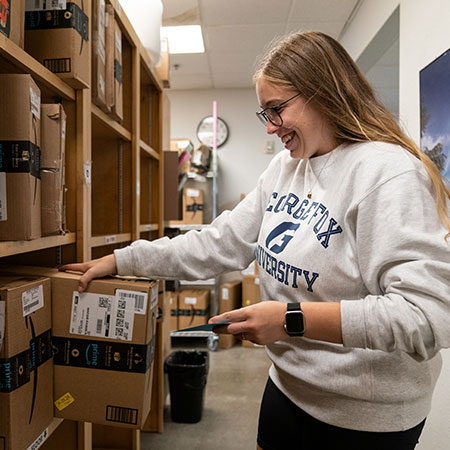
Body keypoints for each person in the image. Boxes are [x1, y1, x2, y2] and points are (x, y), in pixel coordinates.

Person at [61, 31, 450, 450]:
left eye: (277, 110)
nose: (270, 127)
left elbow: (428, 315)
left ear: (323, 92)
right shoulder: (285, 168)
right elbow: (219, 242)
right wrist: (123, 260)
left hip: (364, 416)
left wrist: (289, 320)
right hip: (289, 387)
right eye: (263, 113)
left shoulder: (387, 174)